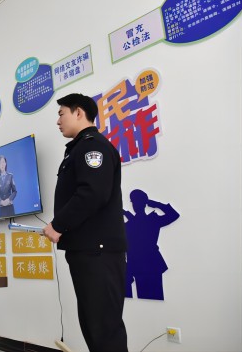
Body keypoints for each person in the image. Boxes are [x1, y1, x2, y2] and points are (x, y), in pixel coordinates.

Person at [43, 93, 128, 351]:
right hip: (88, 251)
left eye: (61, 114)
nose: (58, 121)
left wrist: (58, 225)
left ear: (78, 112)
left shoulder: (93, 147)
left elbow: (92, 193)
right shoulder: (79, 148)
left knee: (104, 330)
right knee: (94, 326)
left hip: (97, 253)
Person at [124, 189, 179, 300]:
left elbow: (174, 215)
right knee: (147, 298)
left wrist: (154, 203)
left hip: (151, 264)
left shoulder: (151, 220)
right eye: (133, 202)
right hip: (142, 266)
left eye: (137, 201)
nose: (135, 204)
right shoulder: (132, 223)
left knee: (153, 297)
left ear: (143, 203)